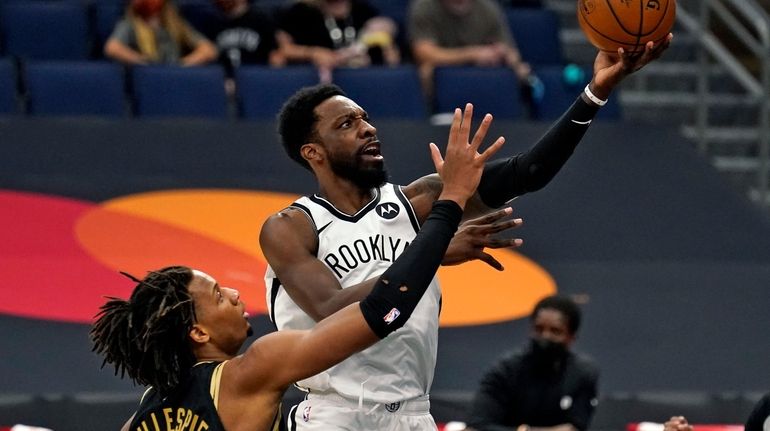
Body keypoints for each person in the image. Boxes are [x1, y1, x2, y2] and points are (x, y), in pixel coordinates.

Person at [260, 36, 671, 430]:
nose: (367, 128)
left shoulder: (415, 202)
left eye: (365, 118)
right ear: (313, 152)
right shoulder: (291, 226)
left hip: (413, 412)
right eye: (347, 124)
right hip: (336, 413)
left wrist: (594, 94)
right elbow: (330, 309)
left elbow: (529, 172)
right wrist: (432, 251)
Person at [90, 113, 504, 431]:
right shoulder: (251, 370)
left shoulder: (147, 411)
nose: (235, 293)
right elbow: (384, 311)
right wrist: (450, 203)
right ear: (198, 333)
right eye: (218, 294)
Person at [464, 295, 599, 431]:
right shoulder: (506, 370)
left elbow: (574, 428)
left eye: (555, 331)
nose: (545, 337)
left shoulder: (583, 373)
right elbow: (477, 425)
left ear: (571, 337)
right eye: (539, 329)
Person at [406, 0, 538, 113]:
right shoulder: (425, 6)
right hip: (441, 83)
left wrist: (502, 54)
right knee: (425, 70)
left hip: (484, 79)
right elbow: (424, 54)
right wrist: (474, 54)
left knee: (521, 71)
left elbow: (512, 53)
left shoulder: (487, 7)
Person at [277, 0, 401, 82]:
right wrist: (313, 53)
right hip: (315, 82)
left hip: (362, 83)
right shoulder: (301, 12)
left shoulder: (364, 11)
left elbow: (392, 58)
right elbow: (283, 50)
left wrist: (387, 48)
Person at [104, 0, 218, 66]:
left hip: (173, 78)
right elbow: (112, 48)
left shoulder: (175, 24)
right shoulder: (129, 24)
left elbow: (208, 50)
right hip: (145, 79)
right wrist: (144, 62)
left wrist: (182, 65)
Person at [204, 0, 285, 74]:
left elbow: (275, 56)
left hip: (256, 76)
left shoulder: (260, 19)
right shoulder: (213, 22)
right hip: (223, 78)